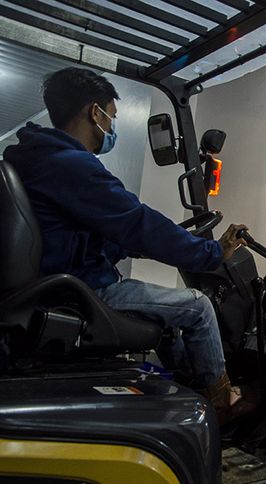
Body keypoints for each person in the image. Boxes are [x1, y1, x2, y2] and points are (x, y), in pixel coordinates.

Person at [2, 67, 250, 424]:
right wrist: (210, 253)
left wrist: (137, 244)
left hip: (55, 281)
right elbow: (138, 223)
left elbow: (104, 232)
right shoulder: (74, 166)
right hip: (80, 288)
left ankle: (190, 395)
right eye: (112, 117)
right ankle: (223, 404)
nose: (112, 126)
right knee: (198, 307)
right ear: (95, 113)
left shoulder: (36, 159)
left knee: (168, 319)